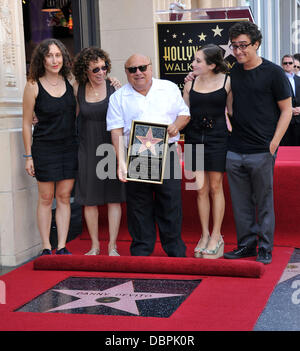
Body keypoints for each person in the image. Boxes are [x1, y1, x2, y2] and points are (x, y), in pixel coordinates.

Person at [106, 54, 190, 257]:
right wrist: (121, 163)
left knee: (170, 202)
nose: (138, 73)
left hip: (167, 150)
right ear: (126, 72)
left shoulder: (168, 88)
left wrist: (175, 126)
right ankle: (142, 251)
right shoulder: (118, 97)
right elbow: (116, 131)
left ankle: (175, 250)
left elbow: (184, 113)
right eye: (132, 69)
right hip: (136, 153)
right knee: (139, 205)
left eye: (142, 67)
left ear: (151, 68)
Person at [223, 21, 292, 264]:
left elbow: (286, 110)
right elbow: (229, 105)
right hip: (235, 150)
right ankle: (246, 246)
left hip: (262, 150)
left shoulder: (274, 73)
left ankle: (265, 248)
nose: (239, 51)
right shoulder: (234, 72)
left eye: (243, 45)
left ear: (257, 44)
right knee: (240, 204)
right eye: (234, 46)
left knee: (263, 202)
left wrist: (273, 144)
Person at [22, 38, 78, 255]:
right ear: (42, 59)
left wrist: (113, 81)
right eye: (50, 55)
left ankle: (62, 246)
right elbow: (26, 123)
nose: (55, 60)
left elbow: (92, 91)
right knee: (46, 198)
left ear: (63, 58)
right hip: (44, 148)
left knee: (64, 197)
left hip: (69, 147)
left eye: (58, 55)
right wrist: (28, 156)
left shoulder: (71, 82)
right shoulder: (33, 85)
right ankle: (46, 246)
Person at [72, 47, 126, 256]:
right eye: (96, 69)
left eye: (104, 67)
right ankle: (94, 245)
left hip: (110, 147)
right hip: (87, 148)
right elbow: (70, 116)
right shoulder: (78, 88)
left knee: (114, 197)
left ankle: (112, 245)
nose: (101, 72)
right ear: (85, 70)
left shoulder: (114, 87)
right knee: (89, 199)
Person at [182, 44, 232, 259]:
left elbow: (232, 112)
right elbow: (183, 113)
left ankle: (216, 236)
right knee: (199, 188)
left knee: (215, 186)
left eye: (198, 61)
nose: (193, 64)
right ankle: (204, 234)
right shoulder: (189, 84)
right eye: (194, 60)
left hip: (218, 139)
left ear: (212, 64)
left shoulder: (227, 81)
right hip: (194, 138)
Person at [280, 54, 300, 146]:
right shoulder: (278, 80)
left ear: (293, 64)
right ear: (282, 65)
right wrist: (289, 109)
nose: (288, 65)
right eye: (285, 63)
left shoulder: (299, 80)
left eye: (290, 63)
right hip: (284, 120)